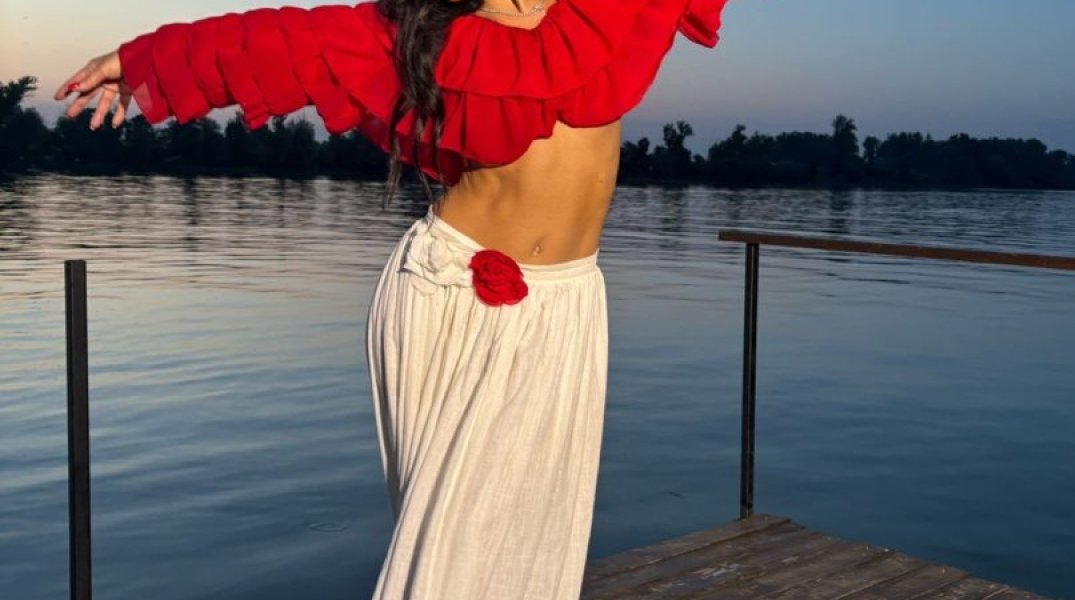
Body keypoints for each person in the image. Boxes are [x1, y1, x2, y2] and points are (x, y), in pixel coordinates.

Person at [54, 0, 730, 597]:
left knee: (534, 545)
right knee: (452, 556)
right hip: (458, 294)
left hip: (569, 304)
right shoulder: (425, 32)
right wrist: (139, 64)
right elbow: (276, 41)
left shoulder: (603, 11)